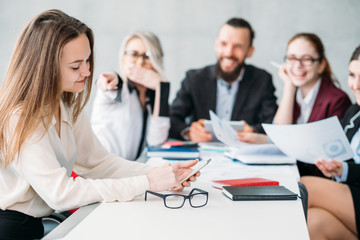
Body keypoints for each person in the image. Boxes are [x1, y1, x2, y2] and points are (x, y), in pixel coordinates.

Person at [0, 9, 198, 239]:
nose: (86, 71)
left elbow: (98, 164)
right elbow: (60, 194)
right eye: (76, 66)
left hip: (38, 223)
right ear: (46, 67)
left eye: (87, 61)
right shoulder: (21, 117)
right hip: (12, 228)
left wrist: (161, 173)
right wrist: (147, 182)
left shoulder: (66, 104)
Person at [238, 33, 352, 177]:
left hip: (317, 178)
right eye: (292, 58)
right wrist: (289, 87)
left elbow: (320, 154)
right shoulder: (294, 93)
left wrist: (265, 140)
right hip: (291, 172)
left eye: (307, 59)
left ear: (321, 65)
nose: (298, 65)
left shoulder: (337, 100)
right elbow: (281, 132)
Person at [169, 17, 278, 142]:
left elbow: (273, 124)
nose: (228, 53)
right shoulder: (194, 79)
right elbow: (172, 119)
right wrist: (189, 132)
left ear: (250, 51)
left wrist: (254, 131)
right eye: (223, 44)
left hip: (243, 154)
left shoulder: (262, 80)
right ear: (216, 45)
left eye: (238, 46)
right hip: (202, 156)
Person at [301, 45, 360, 240]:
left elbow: (348, 167)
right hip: (351, 196)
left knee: (304, 187)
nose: (356, 85)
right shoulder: (354, 112)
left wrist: (344, 170)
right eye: (352, 75)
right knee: (314, 224)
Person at [91, 31, 170, 161]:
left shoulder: (152, 99)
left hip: (125, 173)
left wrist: (161, 87)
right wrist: (110, 79)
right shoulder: (119, 90)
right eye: (133, 54)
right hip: (100, 171)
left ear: (158, 60)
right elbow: (112, 83)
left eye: (147, 56)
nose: (140, 62)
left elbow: (156, 141)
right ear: (123, 58)